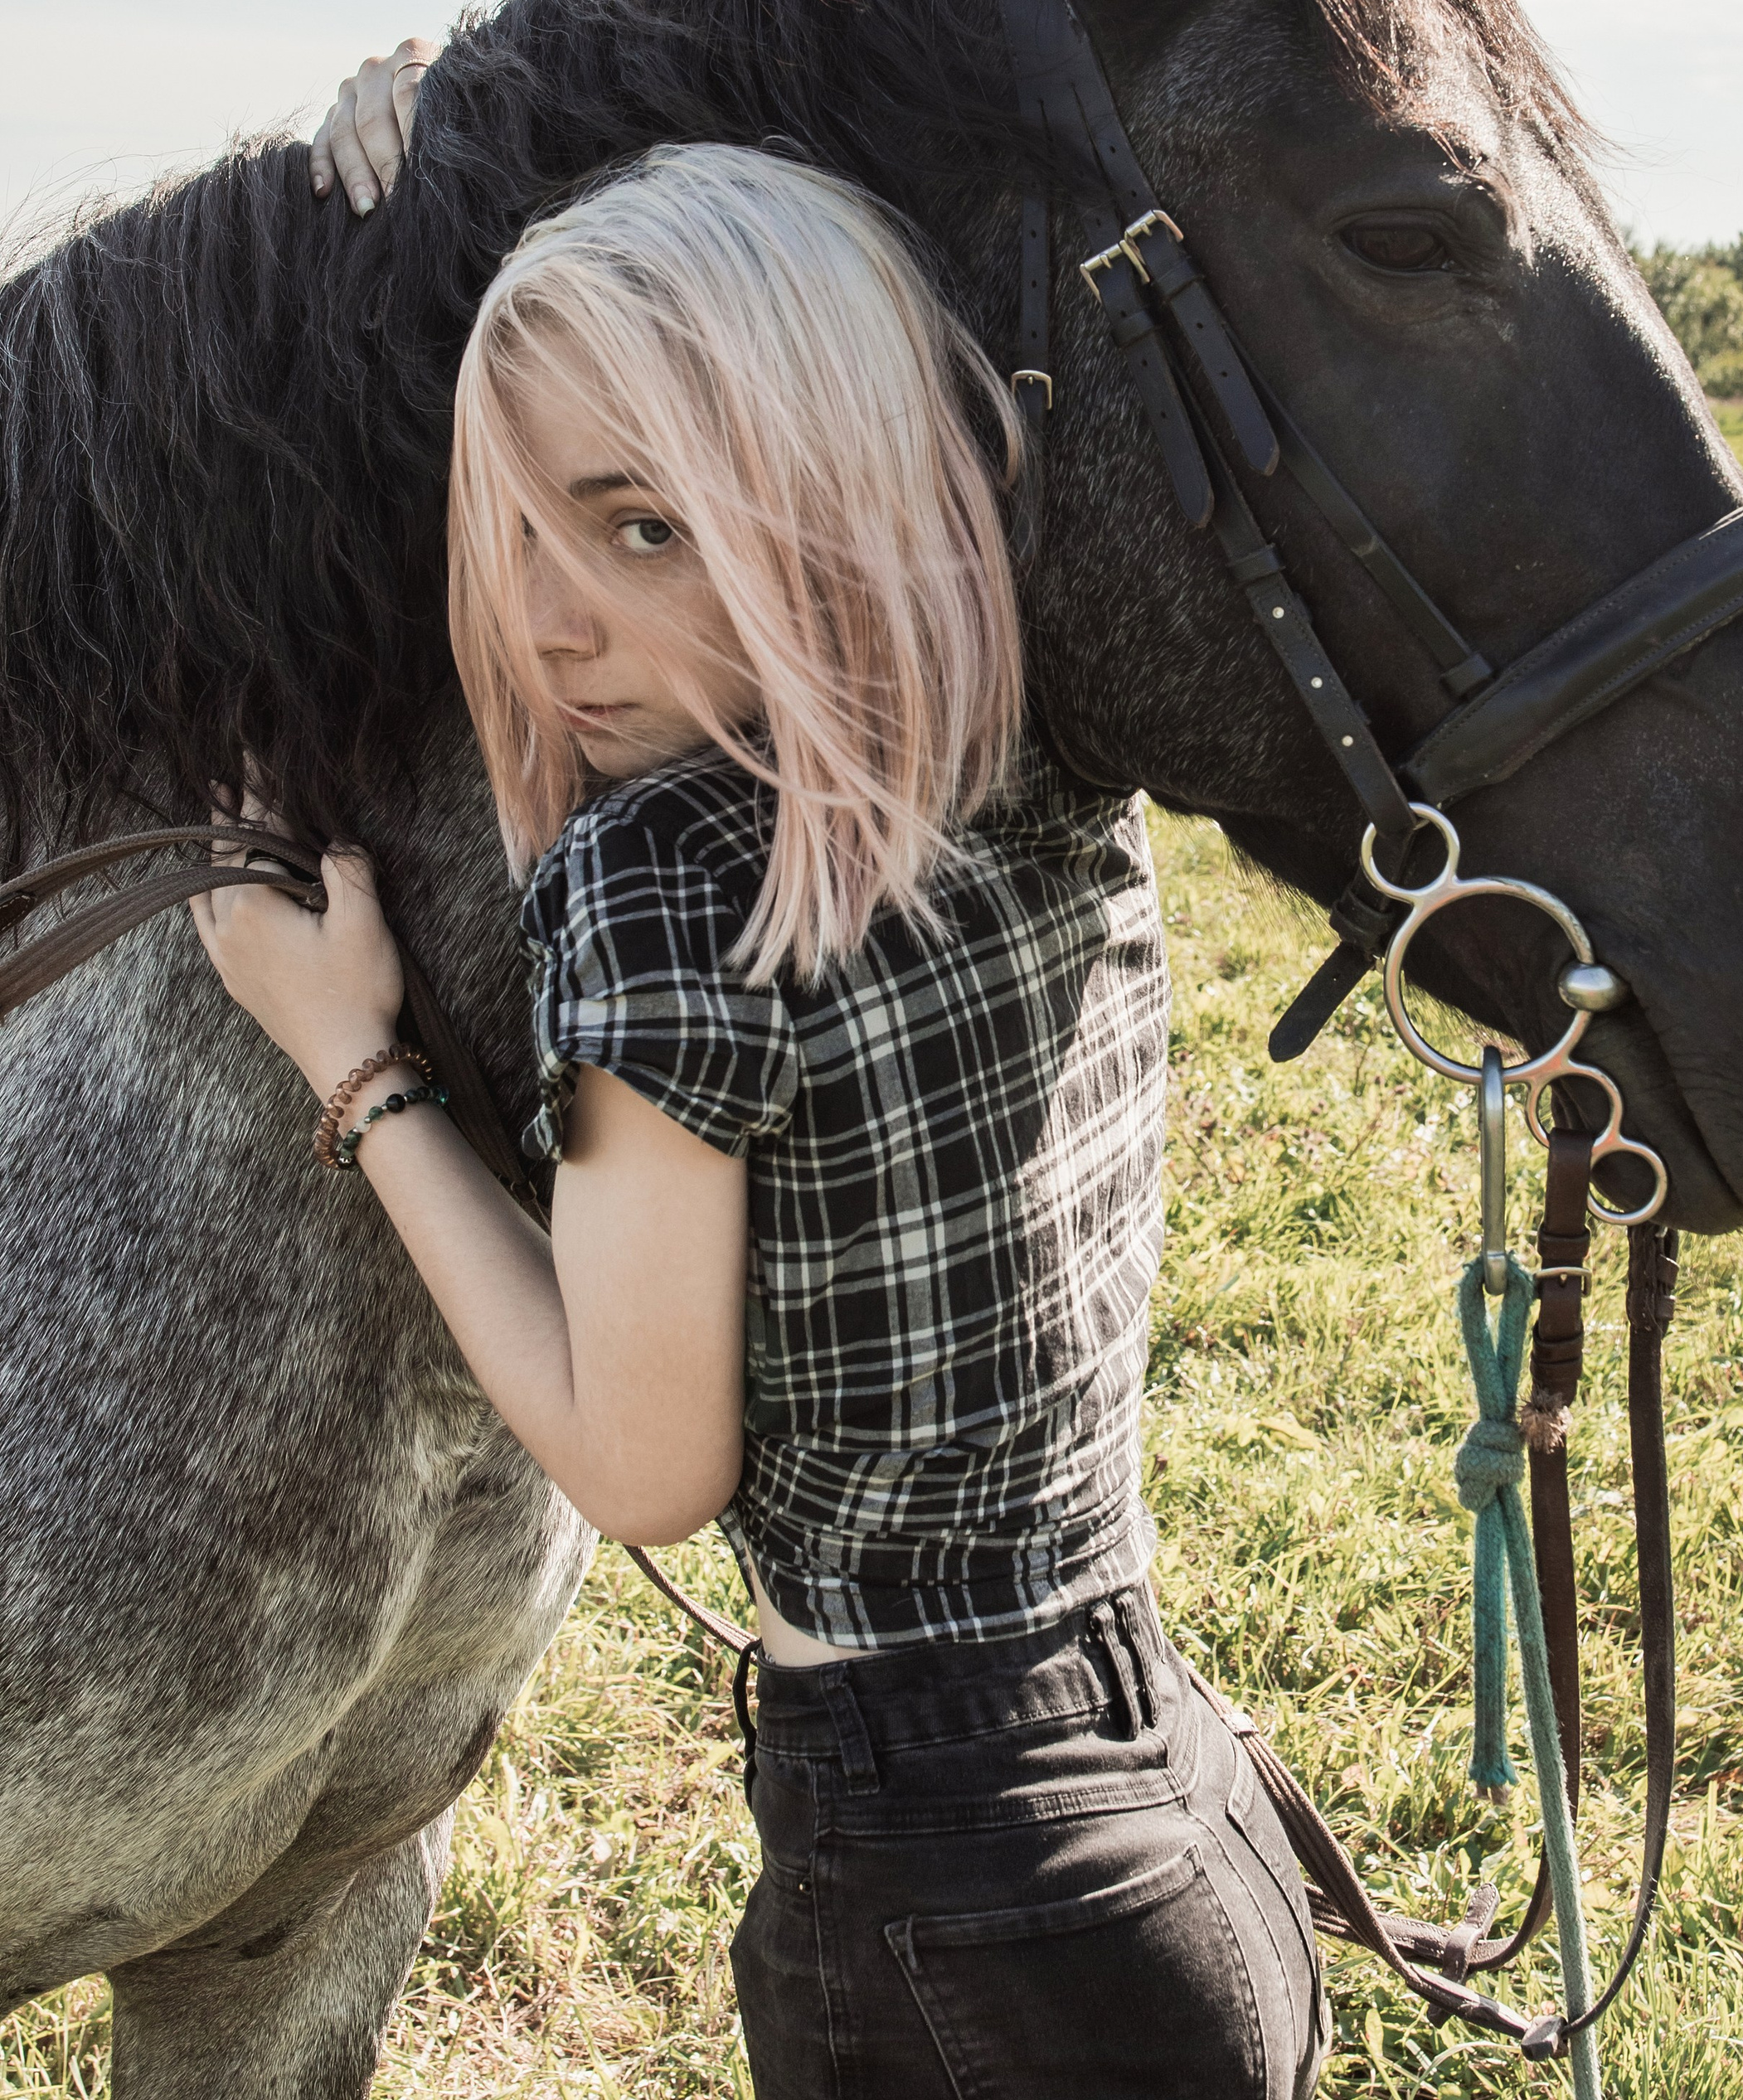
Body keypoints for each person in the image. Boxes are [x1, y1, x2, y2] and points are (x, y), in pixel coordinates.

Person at [195, 139, 1328, 2098]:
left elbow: (641, 1466)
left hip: (939, 1888)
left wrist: (351, 1066)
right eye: (521, 531)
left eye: (645, 529)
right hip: (1179, 1803)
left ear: (837, 495)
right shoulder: (1051, 773)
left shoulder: (664, 880)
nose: (553, 630)